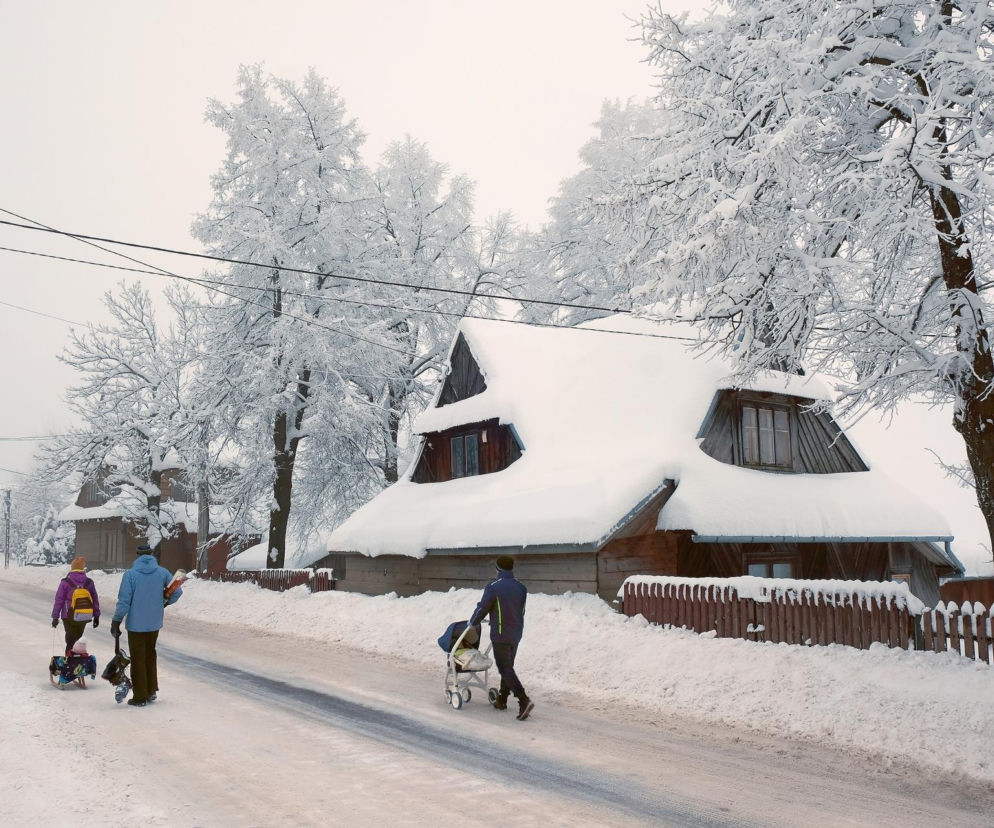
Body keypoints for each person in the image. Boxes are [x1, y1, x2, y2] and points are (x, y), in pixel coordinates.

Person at [110, 543, 183, 707]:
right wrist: (165, 602)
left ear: (138, 556)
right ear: (151, 555)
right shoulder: (162, 572)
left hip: (136, 625)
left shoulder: (131, 575)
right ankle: (151, 691)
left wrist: (116, 621)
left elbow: (124, 602)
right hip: (154, 622)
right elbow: (177, 591)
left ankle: (140, 697)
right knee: (150, 654)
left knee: (138, 658)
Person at [469, 555, 534, 721]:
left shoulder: (493, 587)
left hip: (500, 633)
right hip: (516, 632)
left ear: (498, 569)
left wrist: (473, 622)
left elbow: (483, 607)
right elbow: (521, 611)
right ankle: (502, 700)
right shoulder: (521, 587)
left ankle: (523, 699)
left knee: (505, 668)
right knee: (508, 667)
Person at [51, 556, 100, 656]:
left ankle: (70, 663)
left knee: (70, 641)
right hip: (84, 616)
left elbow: (59, 600)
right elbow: (95, 599)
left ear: (72, 568)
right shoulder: (89, 582)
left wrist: (55, 617)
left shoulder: (65, 582)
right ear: (83, 568)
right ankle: (77, 661)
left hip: (68, 616)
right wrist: (96, 616)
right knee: (77, 639)